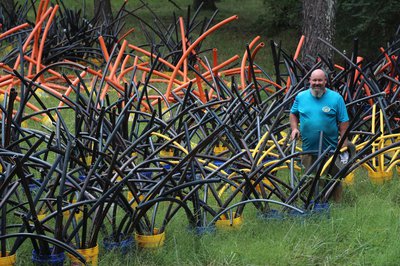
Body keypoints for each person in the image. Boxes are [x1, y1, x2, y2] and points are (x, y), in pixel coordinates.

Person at [289, 69, 349, 202]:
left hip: (330, 148)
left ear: (325, 82)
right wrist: (294, 129)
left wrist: (343, 141)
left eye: (320, 80)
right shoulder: (301, 97)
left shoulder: (336, 98)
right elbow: (293, 114)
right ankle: (312, 203)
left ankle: (337, 204)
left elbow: (344, 121)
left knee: (334, 178)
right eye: (314, 80)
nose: (317, 83)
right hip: (309, 148)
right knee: (310, 178)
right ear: (309, 81)